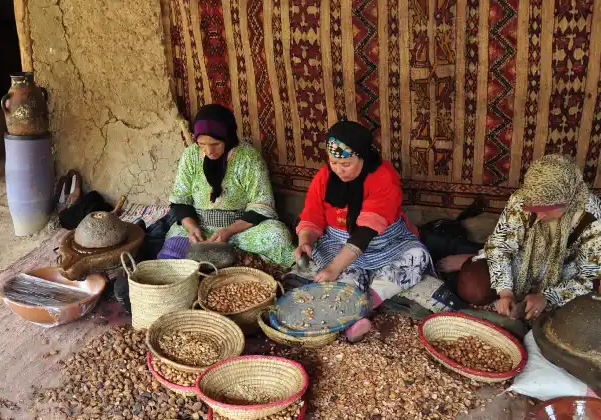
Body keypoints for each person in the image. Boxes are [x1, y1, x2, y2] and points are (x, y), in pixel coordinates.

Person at [295, 121, 430, 341]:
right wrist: (305, 241)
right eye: (333, 162)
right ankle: (352, 314)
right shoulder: (324, 176)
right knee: (347, 272)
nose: (339, 169)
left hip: (385, 241)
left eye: (346, 163)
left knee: (417, 257)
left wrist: (333, 267)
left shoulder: (383, 176)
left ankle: (363, 305)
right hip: (338, 243)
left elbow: (366, 231)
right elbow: (311, 215)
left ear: (363, 157)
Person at [438, 154, 601, 321]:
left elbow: (591, 278)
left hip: (564, 271)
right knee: (473, 289)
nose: (541, 215)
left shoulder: (594, 219)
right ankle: (472, 259)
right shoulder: (521, 200)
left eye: (548, 208)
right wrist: (505, 292)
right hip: (521, 260)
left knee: (581, 313)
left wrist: (547, 297)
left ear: (568, 200)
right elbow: (500, 246)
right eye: (535, 207)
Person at [158, 104, 296, 267]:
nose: (209, 151)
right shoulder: (190, 156)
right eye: (202, 144)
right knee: (174, 246)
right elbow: (180, 199)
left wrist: (229, 231)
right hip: (199, 228)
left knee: (277, 235)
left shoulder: (248, 158)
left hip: (239, 231)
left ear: (228, 137)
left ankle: (233, 259)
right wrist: (191, 227)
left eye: (215, 144)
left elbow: (263, 204)